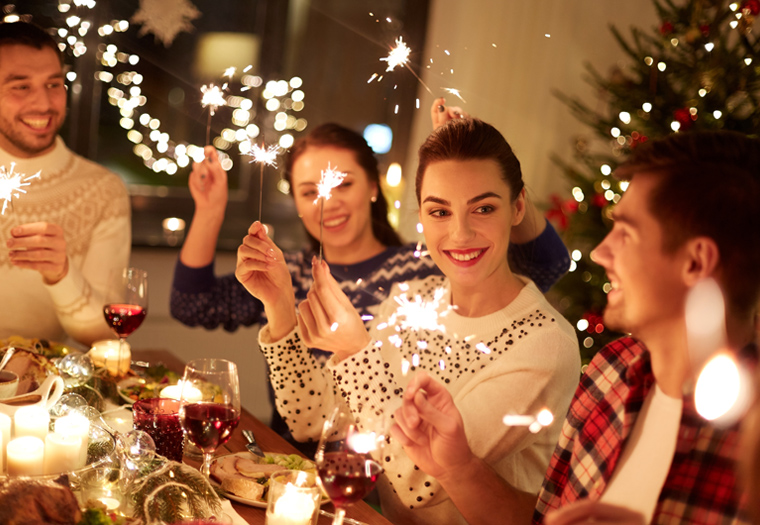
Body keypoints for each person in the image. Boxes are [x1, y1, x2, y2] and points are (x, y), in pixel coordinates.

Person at [390, 130, 760, 525]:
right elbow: (544, 518)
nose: (601, 252)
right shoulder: (609, 373)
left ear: (695, 263)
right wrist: (458, 467)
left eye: (627, 233)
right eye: (439, 211)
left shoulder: (746, 444)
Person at [237, 118, 581, 525]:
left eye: (483, 208)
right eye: (440, 211)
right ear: (421, 215)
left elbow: (421, 481)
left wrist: (354, 351)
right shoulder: (411, 298)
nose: (460, 233)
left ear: (518, 206)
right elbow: (311, 417)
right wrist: (278, 305)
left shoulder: (542, 343)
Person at [0, 22, 130, 345]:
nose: (44, 104)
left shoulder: (102, 191)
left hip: (38, 386)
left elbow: (103, 333)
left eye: (53, 84)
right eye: (21, 86)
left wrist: (61, 275)